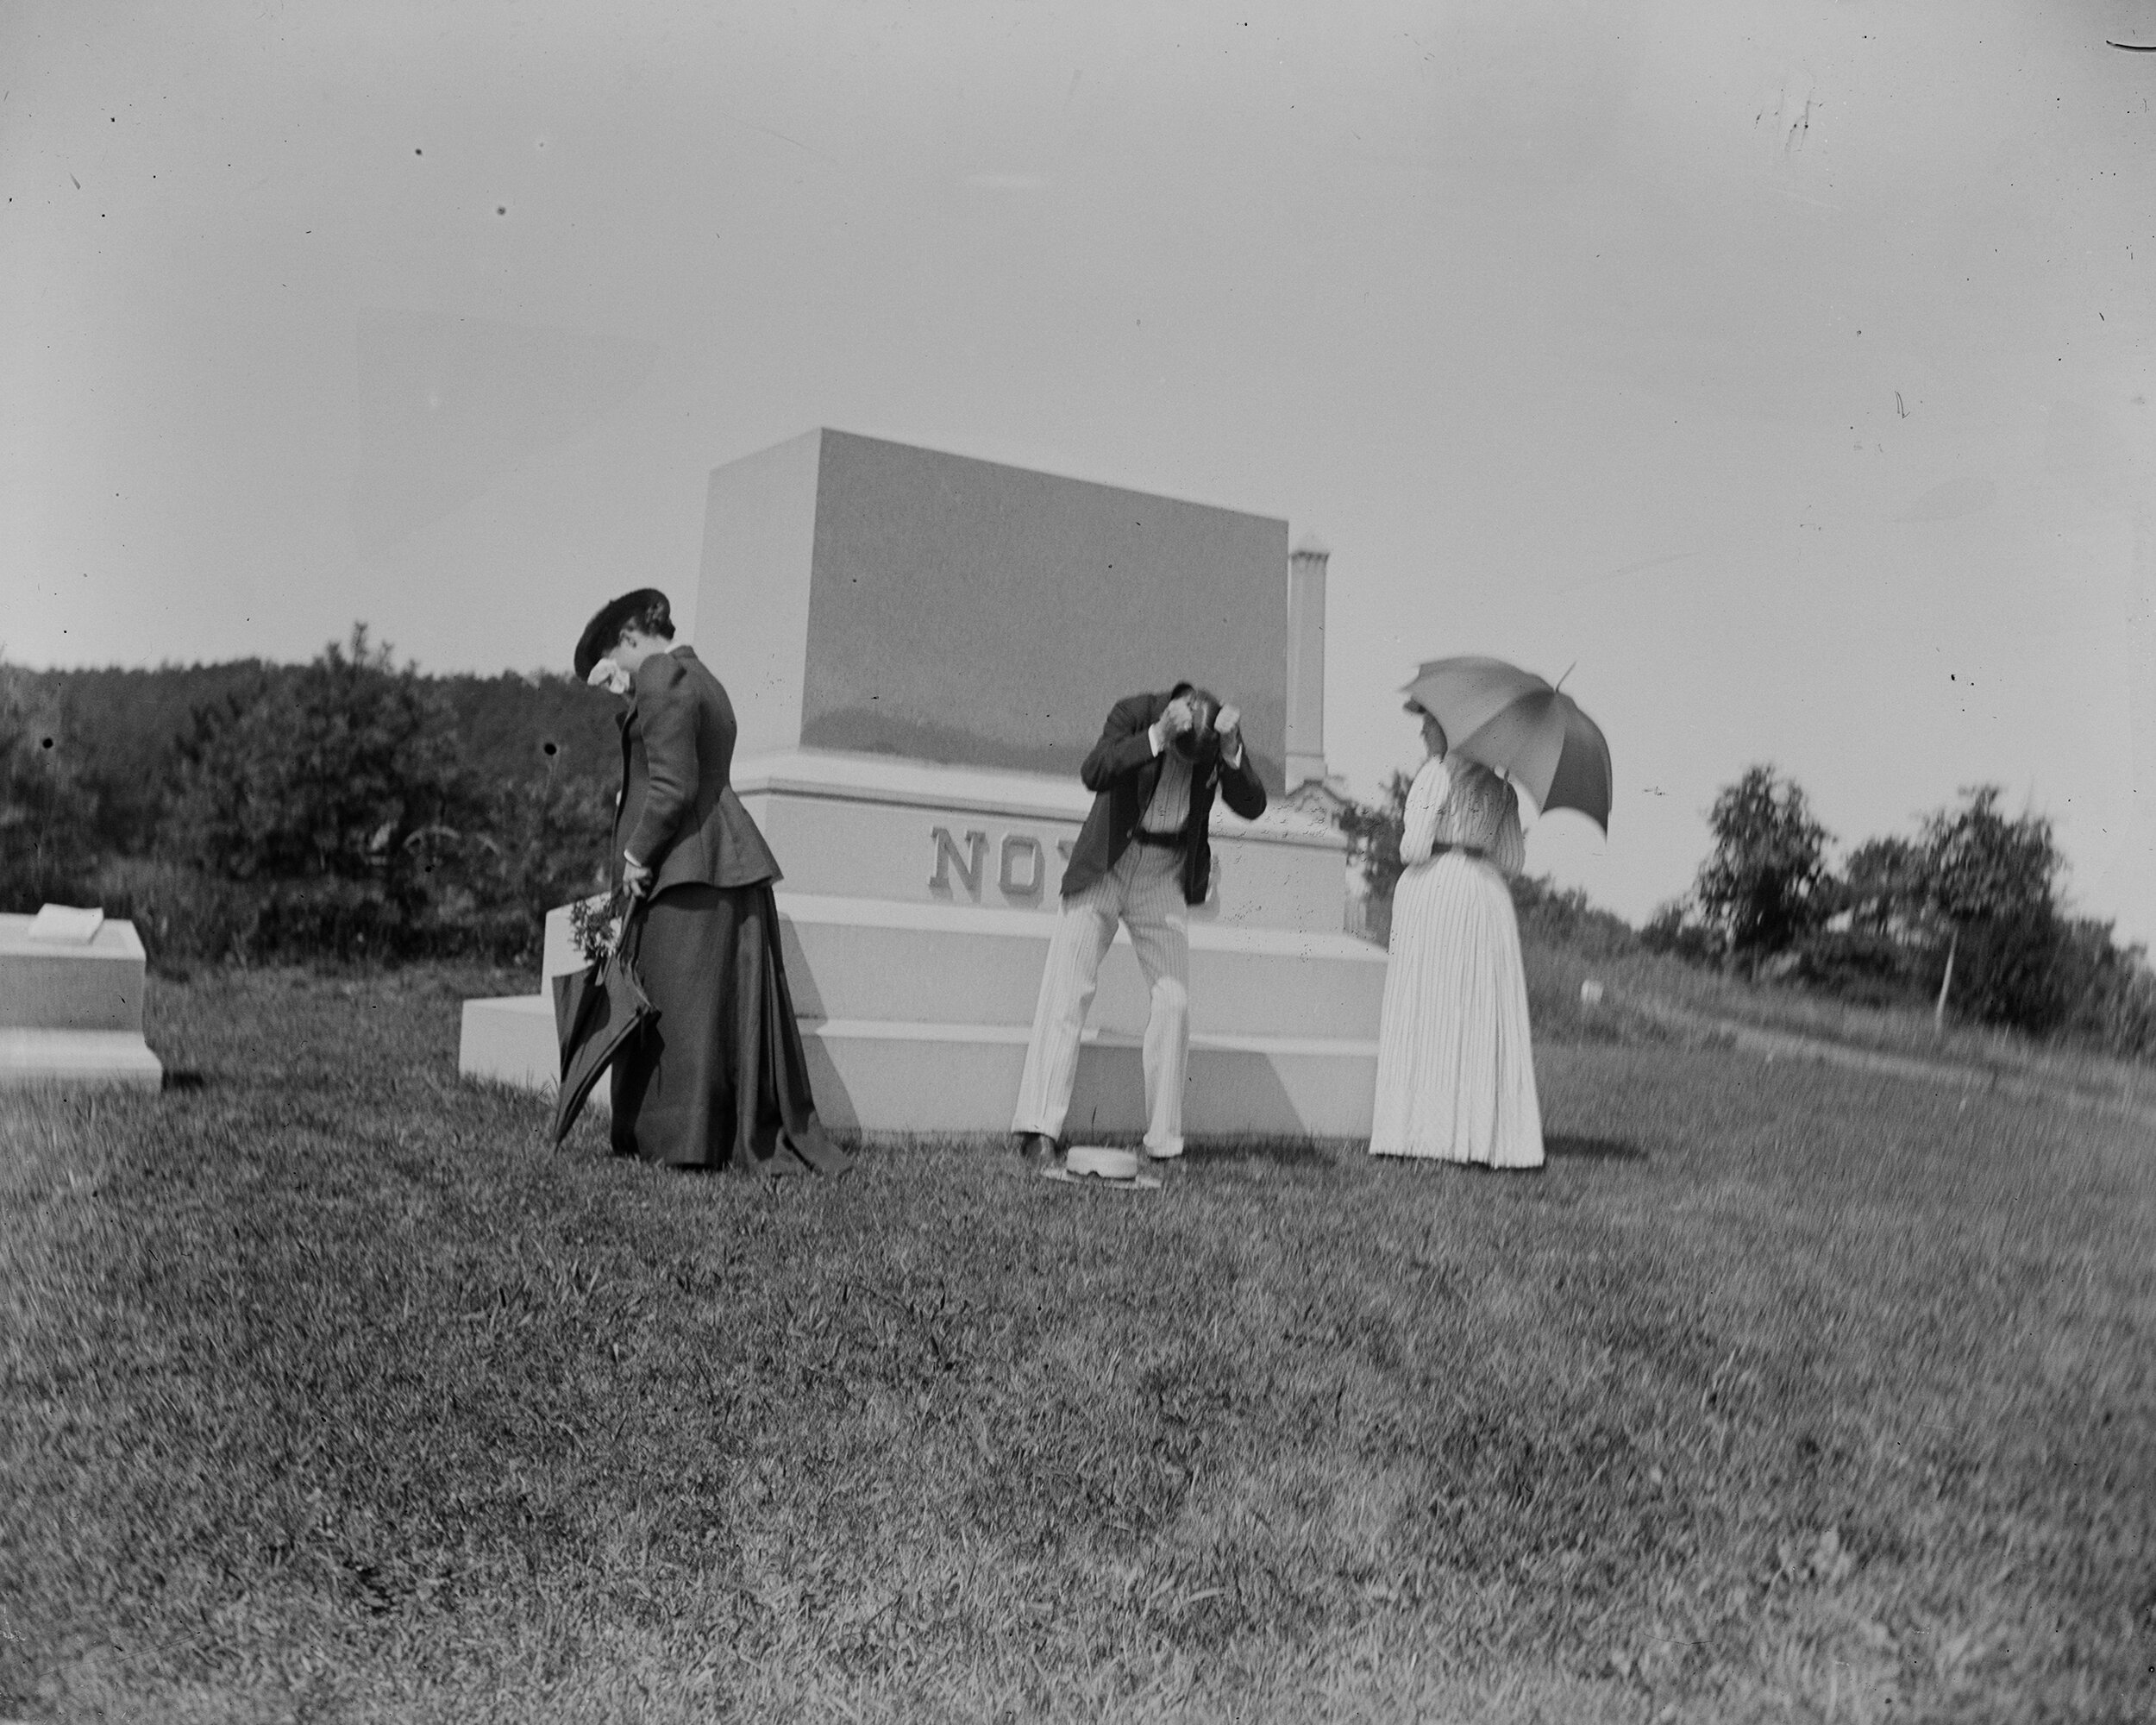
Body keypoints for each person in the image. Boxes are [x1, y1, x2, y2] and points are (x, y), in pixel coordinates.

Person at [573, 588, 849, 1177]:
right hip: (718, 859)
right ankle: (705, 1136)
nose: (612, 671)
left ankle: (679, 1140)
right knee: (702, 1011)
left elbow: (671, 786)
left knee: (675, 1011)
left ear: (627, 636)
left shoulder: (656, 672)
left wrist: (634, 856)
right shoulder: (701, 678)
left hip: (684, 867)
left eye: (610, 655)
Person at [1011, 683, 1268, 1168]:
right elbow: (1094, 771)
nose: (1191, 766)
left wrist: (1232, 752)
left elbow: (1252, 805)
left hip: (1162, 876)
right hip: (1108, 862)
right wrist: (1154, 736)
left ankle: (1164, 1143)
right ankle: (1038, 1130)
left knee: (1174, 1003)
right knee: (1068, 991)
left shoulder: (1215, 740)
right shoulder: (1133, 713)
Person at [1368, 699, 1545, 1168]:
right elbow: (1511, 861)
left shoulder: (1434, 774)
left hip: (1437, 894)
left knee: (1431, 1006)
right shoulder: (1503, 790)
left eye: (1429, 719)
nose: (1423, 729)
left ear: (1451, 727)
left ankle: (1424, 1132)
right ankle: (1481, 1136)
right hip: (1485, 895)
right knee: (1474, 1010)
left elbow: (1414, 847)